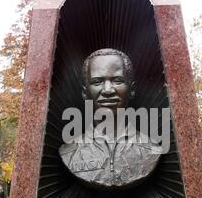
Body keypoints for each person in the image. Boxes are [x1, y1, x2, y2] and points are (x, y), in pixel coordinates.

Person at [59, 48, 162, 190]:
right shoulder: (69, 151)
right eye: (97, 82)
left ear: (131, 90)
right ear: (84, 92)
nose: (108, 90)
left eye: (117, 81)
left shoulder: (152, 149)